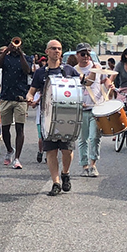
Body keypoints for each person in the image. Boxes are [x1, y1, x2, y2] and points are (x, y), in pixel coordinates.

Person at [27, 39, 80, 196]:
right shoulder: (40, 73)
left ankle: (65, 173)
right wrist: (29, 97)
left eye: (59, 49)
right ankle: (56, 182)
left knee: (66, 150)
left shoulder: (70, 71)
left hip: (67, 117)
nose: (57, 51)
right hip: (48, 117)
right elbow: (31, 91)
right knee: (50, 150)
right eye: (53, 48)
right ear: (47, 51)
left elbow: (80, 88)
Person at [0, 39, 33, 169]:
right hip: (6, 97)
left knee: (19, 128)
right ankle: (10, 149)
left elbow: (27, 70)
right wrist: (6, 51)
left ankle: (17, 158)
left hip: (20, 97)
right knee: (5, 128)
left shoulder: (27, 58)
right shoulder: (6, 57)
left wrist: (21, 53)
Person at [75, 43, 113, 177]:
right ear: (77, 55)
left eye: (88, 54)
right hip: (81, 108)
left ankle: (93, 165)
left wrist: (110, 86)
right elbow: (87, 82)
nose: (86, 57)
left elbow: (105, 79)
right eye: (83, 54)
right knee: (82, 139)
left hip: (96, 107)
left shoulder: (98, 68)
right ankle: (84, 166)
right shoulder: (74, 71)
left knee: (95, 137)